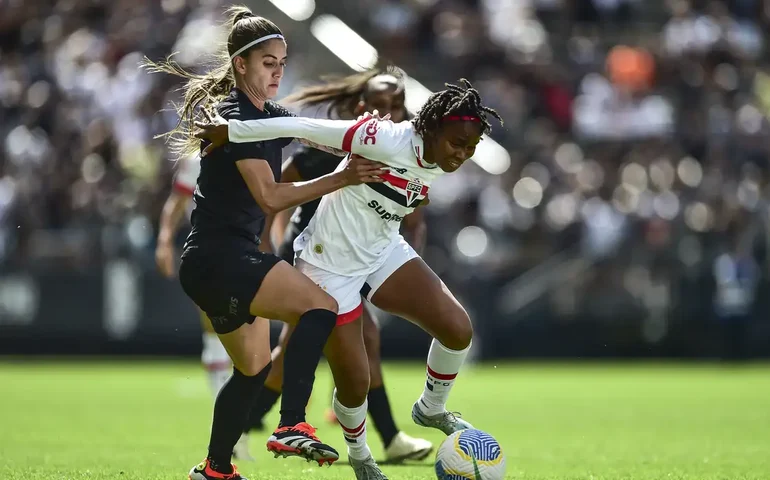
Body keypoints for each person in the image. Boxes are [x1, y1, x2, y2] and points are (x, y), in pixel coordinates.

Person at [196, 78, 503, 480]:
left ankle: (431, 409)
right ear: (429, 130)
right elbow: (303, 127)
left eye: (470, 147)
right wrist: (232, 130)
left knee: (458, 328)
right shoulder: (380, 137)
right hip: (329, 265)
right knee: (355, 383)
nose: (462, 154)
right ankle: (360, 456)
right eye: (456, 143)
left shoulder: (436, 155)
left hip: (382, 249)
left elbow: (409, 192)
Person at [142, 6, 389, 480]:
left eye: (281, 62)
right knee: (319, 308)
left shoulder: (267, 116)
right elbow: (271, 196)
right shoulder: (235, 116)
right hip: (223, 257)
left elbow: (316, 135)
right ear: (241, 64)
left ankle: (214, 469)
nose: (278, 71)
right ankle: (293, 422)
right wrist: (343, 177)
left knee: (253, 371)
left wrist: (367, 135)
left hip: (212, 264)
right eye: (268, 63)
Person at [242, 69, 433, 464]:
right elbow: (276, 198)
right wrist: (272, 244)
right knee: (326, 347)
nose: (390, 112)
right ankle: (242, 426)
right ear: (361, 109)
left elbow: (412, 220)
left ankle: (241, 425)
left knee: (330, 347)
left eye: (396, 105)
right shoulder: (321, 152)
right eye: (380, 105)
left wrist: (402, 263)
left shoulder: (404, 154)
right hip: (316, 259)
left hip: (360, 262)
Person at [154, 151, 257, 462]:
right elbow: (178, 200)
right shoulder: (197, 158)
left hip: (250, 245)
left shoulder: (255, 144)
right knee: (215, 332)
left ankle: (260, 416)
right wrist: (164, 240)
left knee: (249, 340)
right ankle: (233, 429)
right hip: (210, 249)